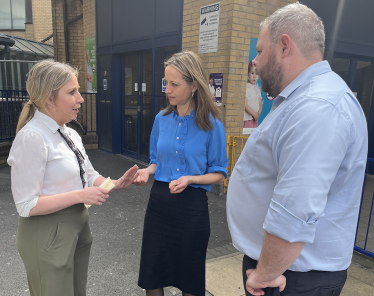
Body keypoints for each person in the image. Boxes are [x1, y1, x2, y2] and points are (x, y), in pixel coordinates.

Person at [227, 3, 368, 296]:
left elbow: (294, 210)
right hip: (285, 272)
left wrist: (264, 274)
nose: (255, 61)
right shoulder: (302, 100)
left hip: (290, 279)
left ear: (284, 46)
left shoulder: (318, 106)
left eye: (260, 50)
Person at [7, 60, 139, 296]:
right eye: (72, 92)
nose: (80, 98)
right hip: (47, 234)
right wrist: (80, 195)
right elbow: (26, 205)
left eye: (78, 90)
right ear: (49, 97)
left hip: (77, 227)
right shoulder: (32, 137)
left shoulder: (69, 133)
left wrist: (115, 184)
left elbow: (88, 176)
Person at [135, 51, 228, 296]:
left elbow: (220, 173)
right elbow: (156, 160)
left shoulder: (212, 124)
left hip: (192, 208)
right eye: (166, 83)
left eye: (175, 84)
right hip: (159, 204)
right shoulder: (161, 119)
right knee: (152, 273)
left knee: (189, 277)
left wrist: (191, 178)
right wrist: (147, 171)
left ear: (194, 85)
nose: (168, 89)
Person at [243, 61, 262, 128]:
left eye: (256, 74)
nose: (254, 76)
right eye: (252, 73)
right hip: (247, 119)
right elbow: (245, 105)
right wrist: (254, 114)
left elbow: (260, 103)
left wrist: (258, 112)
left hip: (255, 119)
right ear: (248, 74)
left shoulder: (257, 89)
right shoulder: (246, 88)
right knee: (246, 137)